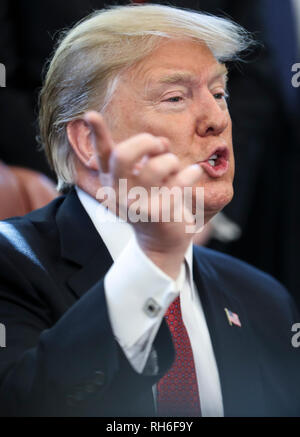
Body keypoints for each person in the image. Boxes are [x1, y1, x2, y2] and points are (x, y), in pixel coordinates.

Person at [0, 4, 299, 417]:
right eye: (175, 98)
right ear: (88, 141)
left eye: (219, 93)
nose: (216, 119)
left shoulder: (263, 298)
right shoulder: (10, 266)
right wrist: (153, 259)